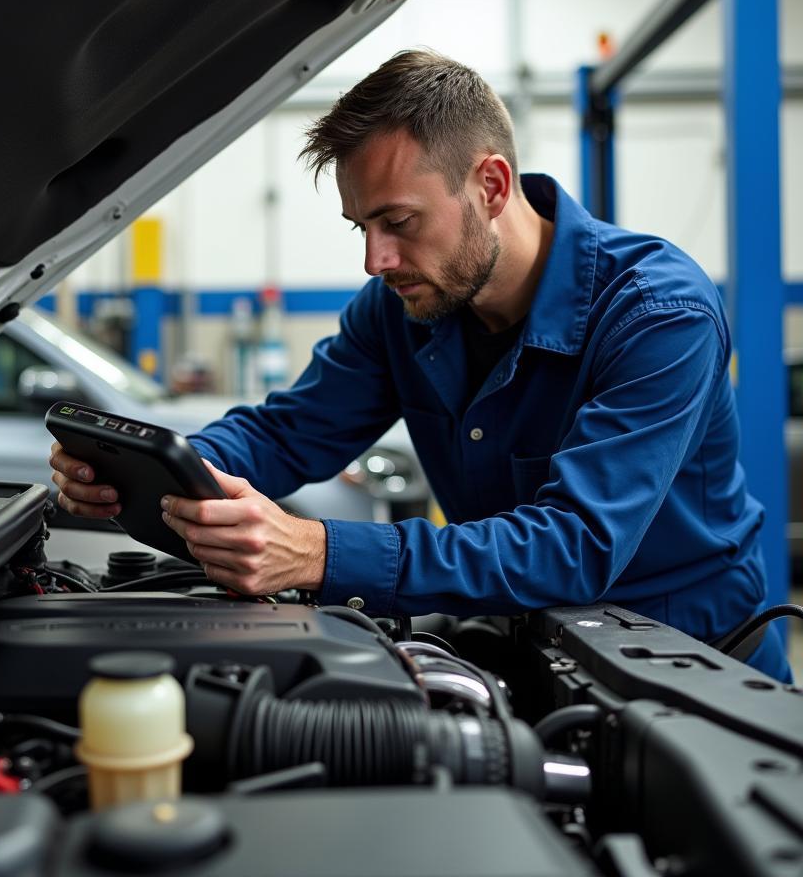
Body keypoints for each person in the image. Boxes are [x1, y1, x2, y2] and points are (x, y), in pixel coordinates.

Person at [49, 50, 790, 682]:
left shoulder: (659, 315)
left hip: (695, 678)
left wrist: (316, 550)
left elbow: (575, 544)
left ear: (491, 187)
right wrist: (161, 468)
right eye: (362, 227)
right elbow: (287, 434)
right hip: (535, 653)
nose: (376, 260)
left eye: (398, 222)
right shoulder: (400, 310)